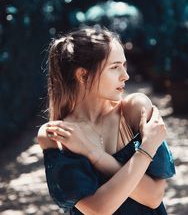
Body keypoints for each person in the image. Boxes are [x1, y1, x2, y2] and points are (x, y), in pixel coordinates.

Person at [38, 27, 175, 215]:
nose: (125, 75)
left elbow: (153, 196)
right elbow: (98, 209)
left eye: (124, 65)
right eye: (114, 67)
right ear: (82, 75)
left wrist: (94, 154)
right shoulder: (55, 134)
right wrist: (147, 149)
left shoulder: (134, 109)